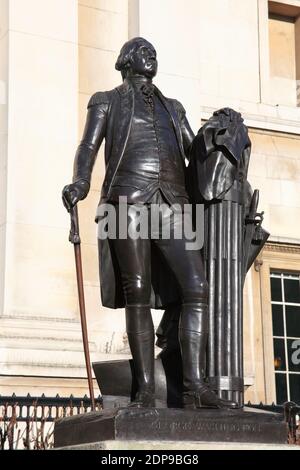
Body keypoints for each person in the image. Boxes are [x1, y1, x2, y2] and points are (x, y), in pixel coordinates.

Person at [62, 37, 237, 409]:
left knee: (197, 287)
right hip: (127, 201)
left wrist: (219, 130)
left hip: (174, 203)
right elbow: (88, 146)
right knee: (136, 290)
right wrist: (81, 181)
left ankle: (194, 388)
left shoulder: (173, 107)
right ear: (126, 61)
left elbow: (195, 150)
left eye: (153, 51)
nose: (150, 54)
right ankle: (144, 388)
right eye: (142, 50)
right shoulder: (106, 100)